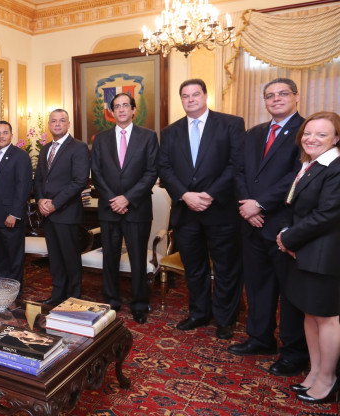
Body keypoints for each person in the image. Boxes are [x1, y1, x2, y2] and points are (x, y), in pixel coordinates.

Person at [229, 78, 309, 376]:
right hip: (251, 223)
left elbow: (297, 175)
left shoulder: (307, 131)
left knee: (289, 293)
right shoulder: (254, 133)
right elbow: (239, 171)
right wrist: (247, 207)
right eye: (270, 95)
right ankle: (260, 338)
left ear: (296, 96)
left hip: (283, 225)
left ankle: (293, 352)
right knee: (257, 285)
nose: (276, 99)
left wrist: (260, 204)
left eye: (282, 94)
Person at [157, 78, 245, 340]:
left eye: (195, 94)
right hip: (186, 212)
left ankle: (225, 319)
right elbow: (165, 168)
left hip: (220, 210)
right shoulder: (170, 131)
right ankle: (199, 313)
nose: (191, 99)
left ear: (206, 96)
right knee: (194, 267)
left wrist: (210, 194)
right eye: (185, 96)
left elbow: (236, 164)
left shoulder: (231, 124)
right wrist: (185, 195)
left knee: (226, 268)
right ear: (181, 100)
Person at [277, 111, 340, 403]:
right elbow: (295, 206)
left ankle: (327, 379)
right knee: (309, 314)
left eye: (321, 134)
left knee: (326, 318)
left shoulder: (335, 168)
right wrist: (287, 233)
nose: (311, 139)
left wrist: (288, 238)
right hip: (304, 252)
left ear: (336, 138)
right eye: (308, 133)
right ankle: (314, 372)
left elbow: (327, 215)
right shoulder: (311, 164)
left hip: (324, 257)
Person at [91, 93, 158, 323]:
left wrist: (127, 199)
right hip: (109, 208)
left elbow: (151, 172)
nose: (121, 109)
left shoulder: (148, 137)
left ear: (133, 110)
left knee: (138, 258)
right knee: (109, 257)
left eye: (125, 105)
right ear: (111, 112)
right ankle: (111, 300)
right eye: (116, 106)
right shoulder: (100, 139)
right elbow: (96, 173)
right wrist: (114, 199)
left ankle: (139, 303)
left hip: (137, 208)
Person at [33, 109, 90, 305]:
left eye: (61, 121)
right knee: (55, 258)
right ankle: (57, 295)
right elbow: (39, 179)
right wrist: (40, 200)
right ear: (49, 124)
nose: (57, 124)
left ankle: (74, 297)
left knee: (70, 257)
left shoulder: (78, 147)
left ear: (68, 124)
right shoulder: (45, 149)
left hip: (66, 212)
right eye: (54, 121)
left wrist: (55, 204)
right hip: (47, 213)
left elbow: (80, 180)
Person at [0, 121, 32, 286]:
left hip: (11, 216)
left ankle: (14, 290)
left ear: (11, 135)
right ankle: (1, 288)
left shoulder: (20, 156)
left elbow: (23, 187)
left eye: (5, 133)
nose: (1, 136)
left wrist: (14, 213)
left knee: (13, 256)